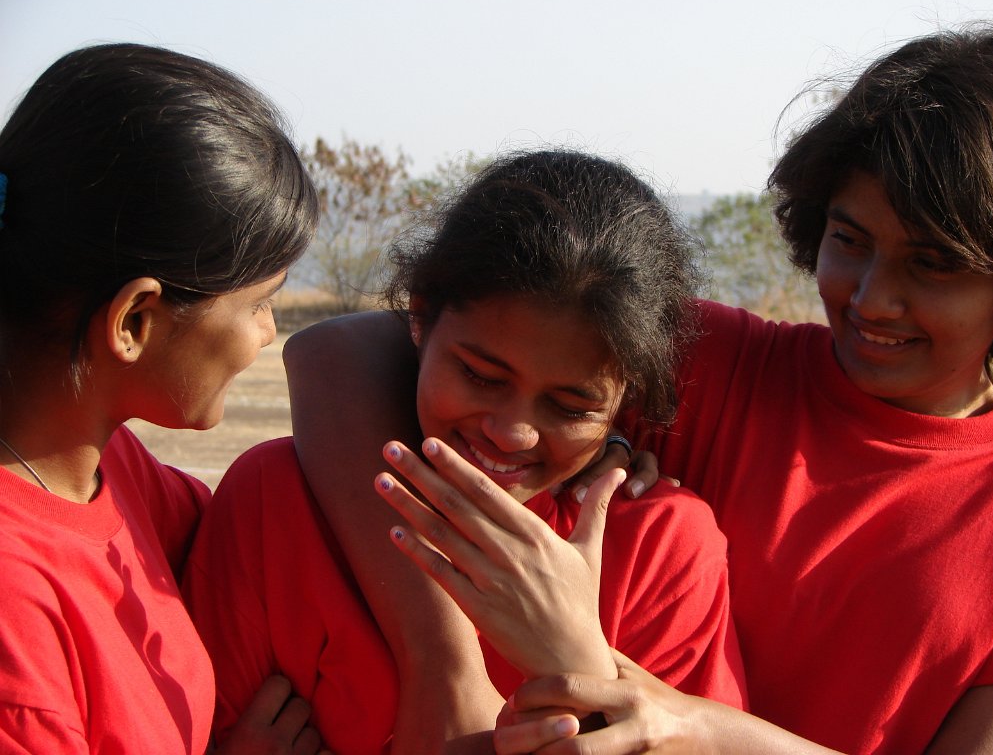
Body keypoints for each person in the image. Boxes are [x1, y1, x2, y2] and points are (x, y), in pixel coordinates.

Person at [285, 26, 993, 754]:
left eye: (932, 264)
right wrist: (443, 664)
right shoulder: (720, 364)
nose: (871, 299)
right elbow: (334, 357)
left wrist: (702, 729)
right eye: (850, 240)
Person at [183, 150, 748, 754]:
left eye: (570, 408)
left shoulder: (659, 550)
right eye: (480, 376)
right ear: (420, 319)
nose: (512, 433)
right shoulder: (279, 502)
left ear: (625, 402)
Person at [0, 43, 326, 754]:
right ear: (134, 321)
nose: (267, 333)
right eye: (259, 303)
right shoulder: (15, 622)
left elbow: (264, 536)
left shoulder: (108, 468)